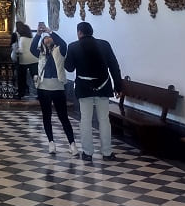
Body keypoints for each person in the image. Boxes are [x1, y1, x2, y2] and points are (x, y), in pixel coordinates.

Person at [64, 21, 123, 162]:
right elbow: (114, 66)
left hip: (84, 88)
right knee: (104, 120)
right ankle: (107, 152)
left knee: (85, 120)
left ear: (79, 33)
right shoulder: (104, 44)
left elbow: (70, 68)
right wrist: (118, 86)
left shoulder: (73, 46)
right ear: (92, 32)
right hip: (103, 86)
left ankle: (87, 153)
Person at [30, 24, 77, 156]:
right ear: (42, 41)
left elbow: (63, 42)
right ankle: (51, 142)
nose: (47, 39)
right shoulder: (40, 53)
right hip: (43, 87)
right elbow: (32, 48)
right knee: (47, 116)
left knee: (63, 117)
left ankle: (72, 144)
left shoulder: (60, 50)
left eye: (49, 38)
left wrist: (50, 31)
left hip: (57, 87)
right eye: (45, 38)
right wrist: (39, 33)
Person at [15, 22, 38, 99]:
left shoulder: (22, 39)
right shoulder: (32, 38)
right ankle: (40, 93)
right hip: (34, 60)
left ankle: (21, 93)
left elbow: (21, 50)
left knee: (21, 78)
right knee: (35, 77)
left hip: (24, 61)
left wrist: (16, 50)